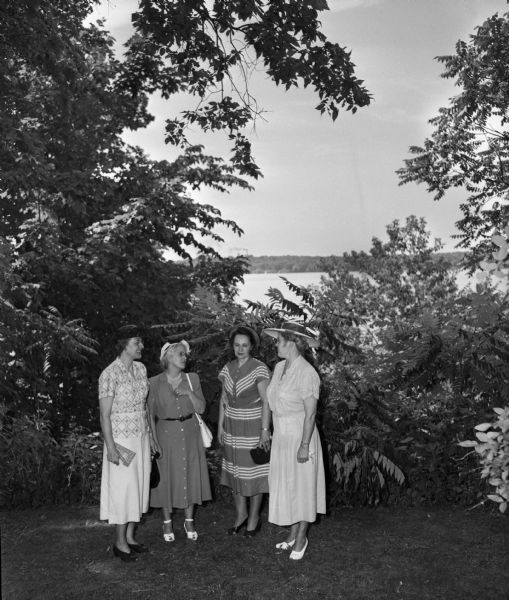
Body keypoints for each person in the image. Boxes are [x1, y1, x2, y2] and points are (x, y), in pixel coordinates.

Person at [263, 321, 326, 560]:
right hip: (282, 436)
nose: (276, 344)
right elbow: (272, 400)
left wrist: (303, 445)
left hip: (301, 435)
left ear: (291, 343)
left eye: (278, 340)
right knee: (288, 485)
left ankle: (301, 538)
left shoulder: (307, 373)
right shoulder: (279, 368)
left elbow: (310, 414)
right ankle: (291, 535)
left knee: (303, 487)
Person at [148, 340, 211, 542]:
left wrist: (189, 393)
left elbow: (201, 408)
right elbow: (149, 415)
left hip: (191, 432)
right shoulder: (153, 382)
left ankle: (189, 519)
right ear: (168, 358)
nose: (185, 357)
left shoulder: (192, 379)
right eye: (180, 354)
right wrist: (153, 440)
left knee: (191, 474)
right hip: (165, 433)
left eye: (185, 354)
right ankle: (167, 522)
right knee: (166, 477)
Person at [99, 326, 151, 562]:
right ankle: (119, 542)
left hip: (140, 436)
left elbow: (145, 406)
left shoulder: (141, 369)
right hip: (120, 439)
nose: (140, 347)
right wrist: (110, 446)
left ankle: (130, 536)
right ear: (123, 345)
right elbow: (104, 415)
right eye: (136, 342)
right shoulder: (109, 374)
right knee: (123, 488)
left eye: (140, 343)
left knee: (138, 486)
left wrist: (151, 437)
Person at [217, 325, 271, 536]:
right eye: (237, 345)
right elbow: (223, 399)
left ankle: (254, 517)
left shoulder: (259, 368)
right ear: (232, 346)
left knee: (254, 473)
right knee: (235, 472)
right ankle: (240, 514)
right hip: (231, 425)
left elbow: (267, 402)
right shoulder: (227, 368)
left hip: (253, 425)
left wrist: (265, 431)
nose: (240, 349)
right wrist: (221, 426)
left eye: (245, 345)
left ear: (251, 347)